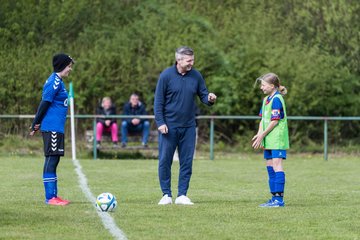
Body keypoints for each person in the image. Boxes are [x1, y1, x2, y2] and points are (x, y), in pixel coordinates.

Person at [154, 46, 217, 205]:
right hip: (169, 127)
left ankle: (182, 195)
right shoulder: (166, 76)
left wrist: (209, 98)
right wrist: (160, 123)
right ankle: (166, 194)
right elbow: (158, 102)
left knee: (187, 161)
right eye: (189, 60)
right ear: (179, 60)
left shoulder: (196, 75)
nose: (192, 63)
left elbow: (203, 95)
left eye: (193, 60)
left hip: (189, 127)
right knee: (165, 161)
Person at [30, 53, 74, 206]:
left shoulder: (59, 82)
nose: (70, 69)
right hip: (52, 127)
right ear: (62, 66)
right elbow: (44, 103)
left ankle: (54, 195)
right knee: (51, 159)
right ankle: (50, 197)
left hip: (57, 128)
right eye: (69, 66)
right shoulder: (54, 82)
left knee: (55, 160)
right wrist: (36, 122)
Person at [252, 73, 289, 208]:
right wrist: (259, 134)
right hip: (268, 138)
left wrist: (262, 135)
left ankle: (279, 200)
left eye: (263, 85)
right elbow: (263, 119)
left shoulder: (277, 99)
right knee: (269, 167)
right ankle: (273, 198)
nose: (261, 87)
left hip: (277, 138)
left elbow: (274, 121)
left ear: (272, 86)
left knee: (277, 166)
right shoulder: (266, 99)